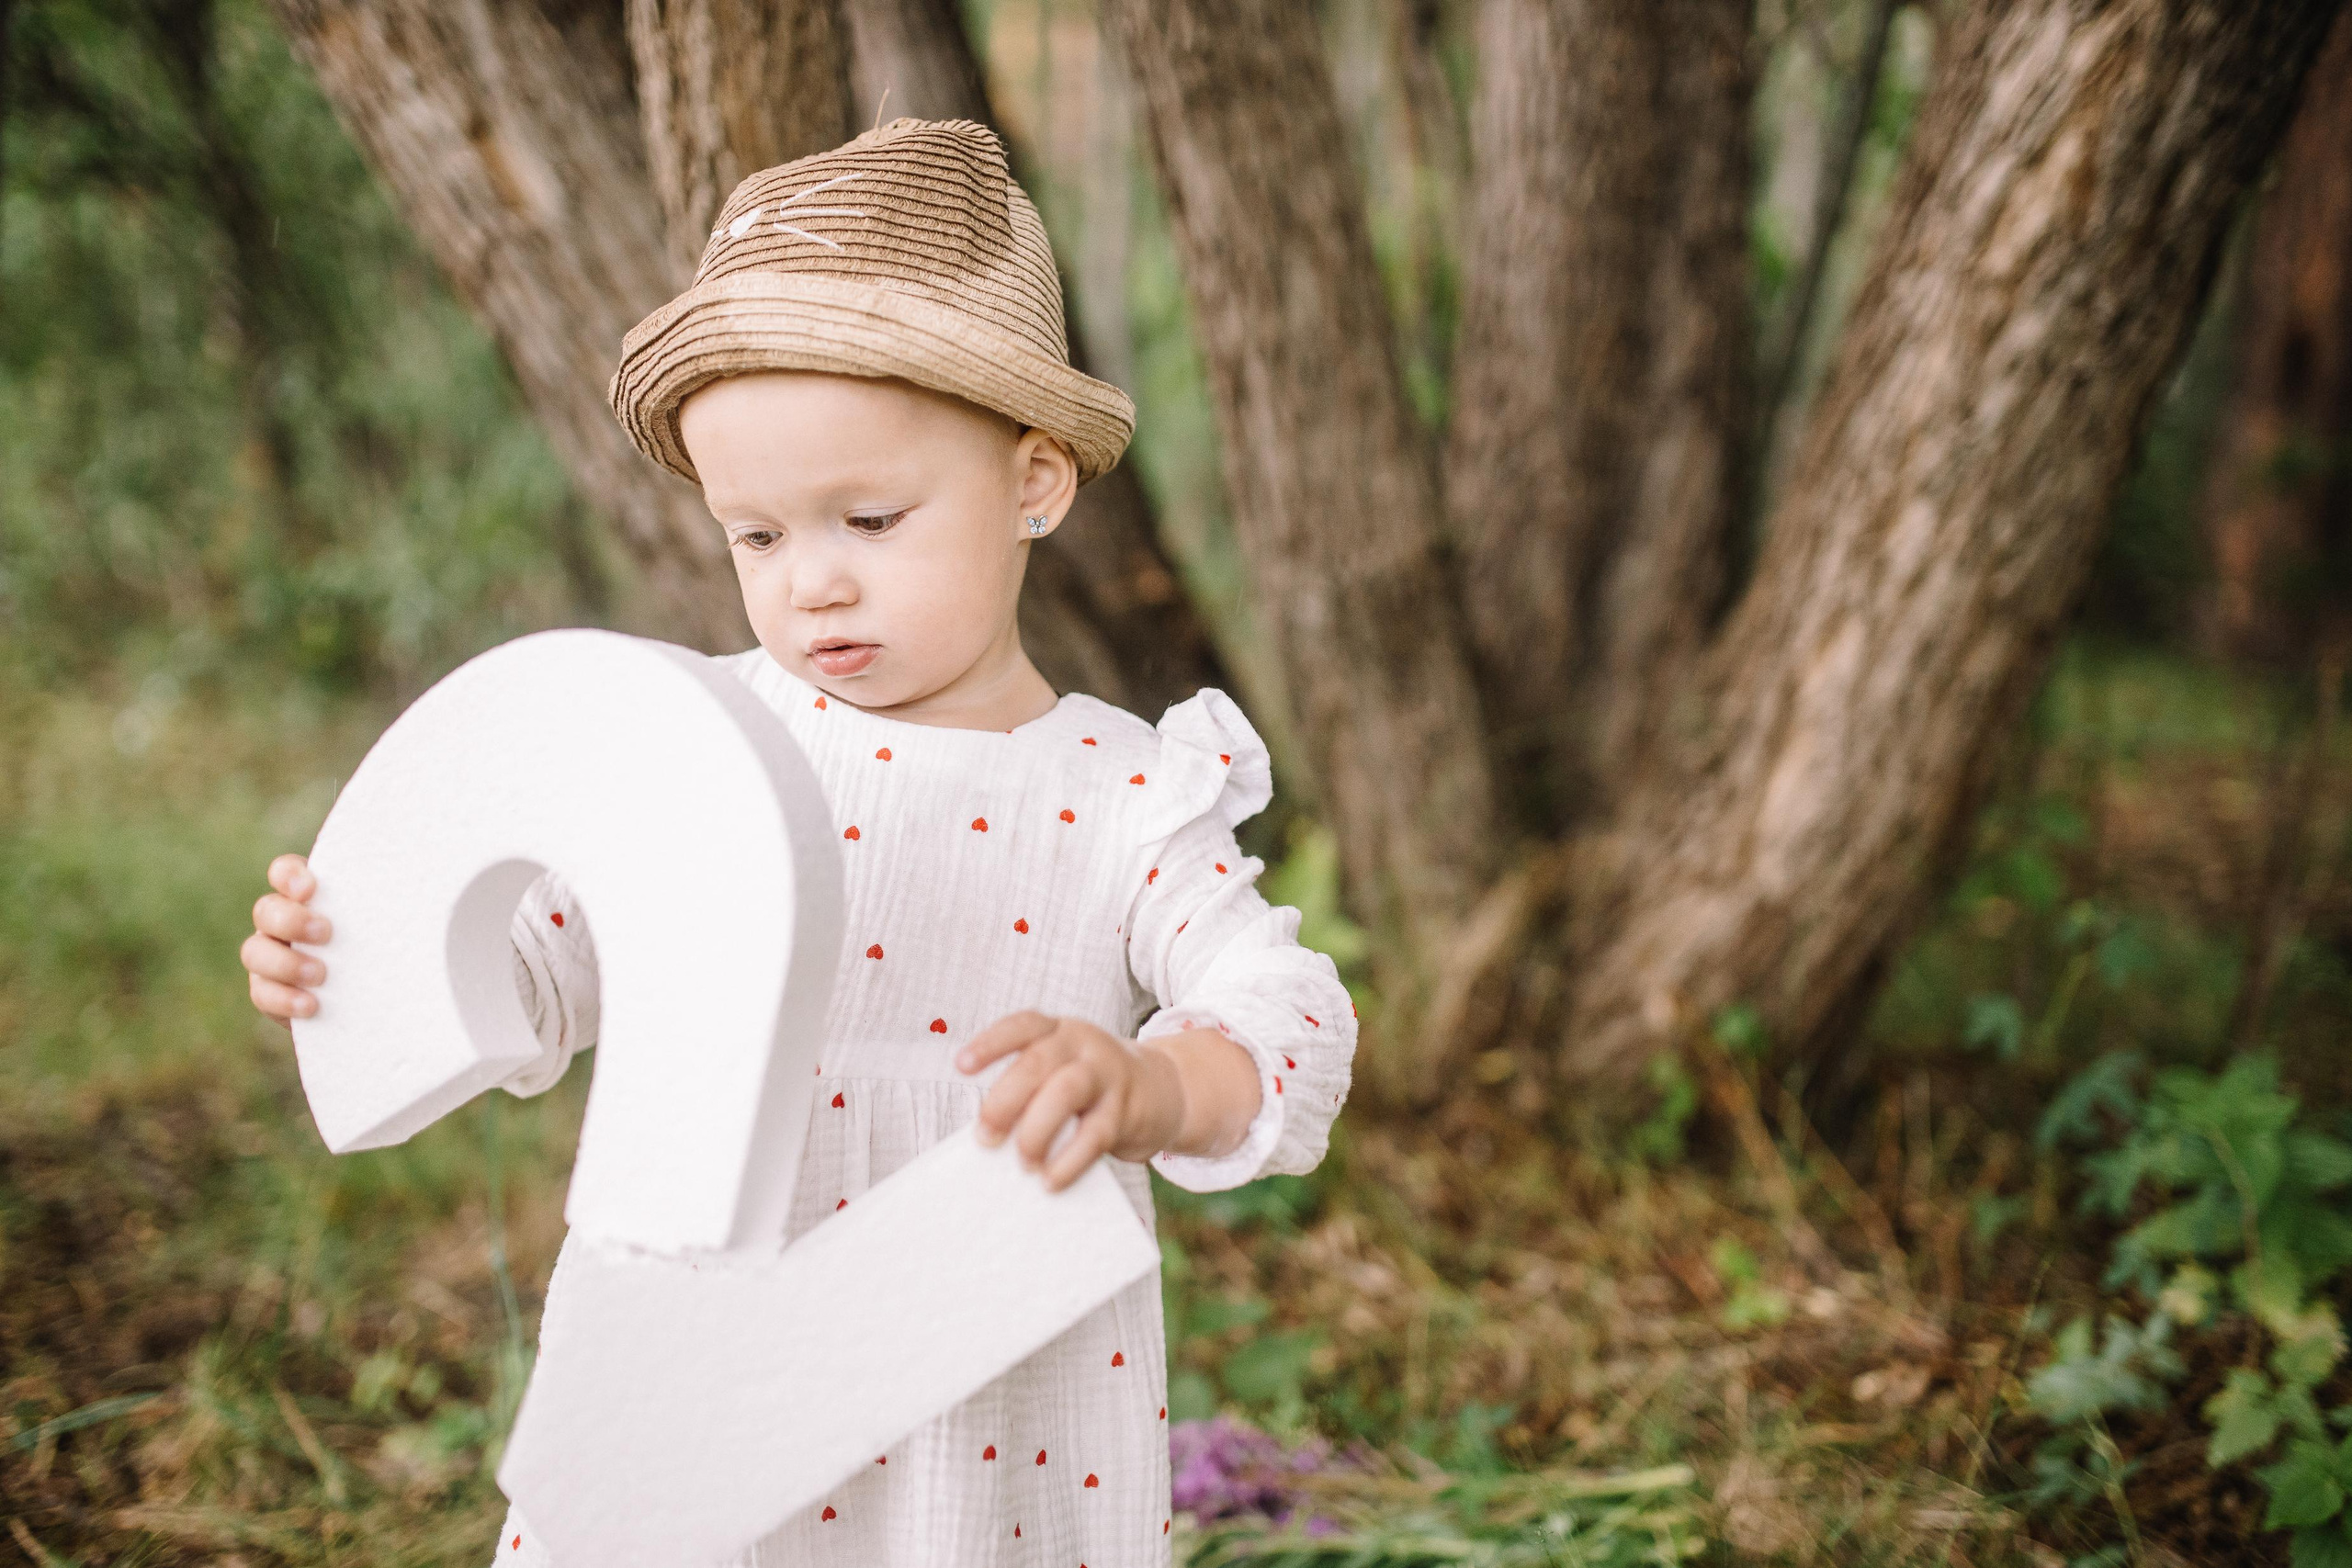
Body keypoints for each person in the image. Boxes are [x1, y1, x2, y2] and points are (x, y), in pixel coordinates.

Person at [237, 116, 1357, 1566]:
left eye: (870, 518)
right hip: (708, 1318)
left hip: (976, 1349)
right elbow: (545, 967)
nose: (812, 582)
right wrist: (365, 959)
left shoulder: (1120, 788)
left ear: (1035, 483)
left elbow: (1288, 1012)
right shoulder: (705, 749)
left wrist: (1151, 1081)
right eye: (756, 537)